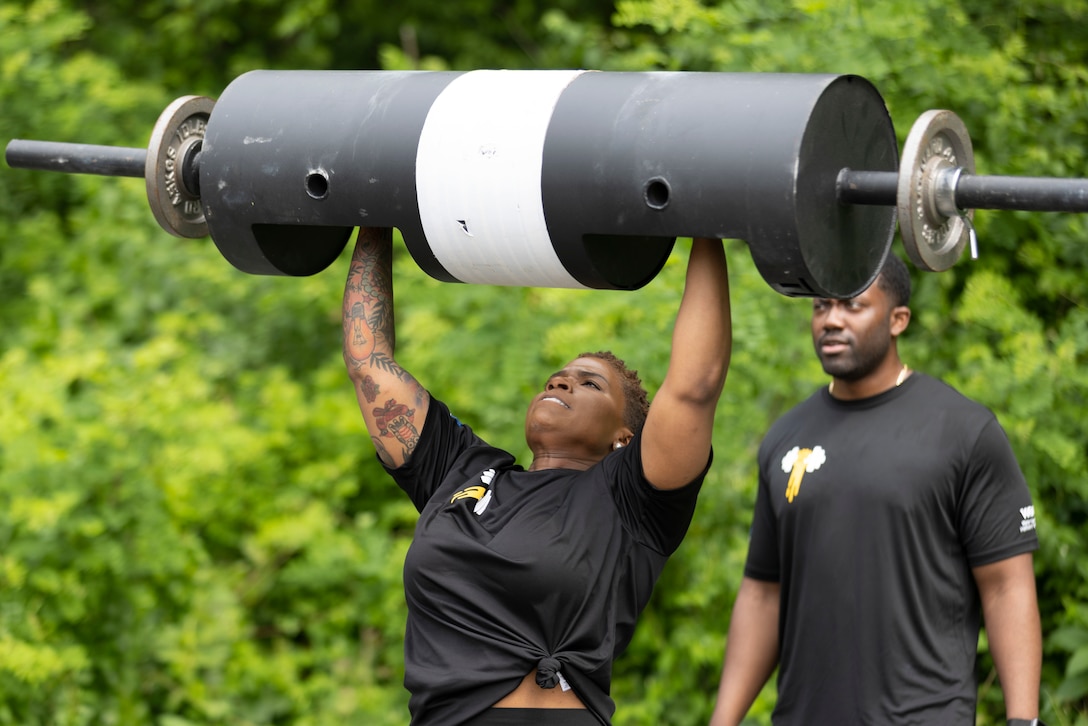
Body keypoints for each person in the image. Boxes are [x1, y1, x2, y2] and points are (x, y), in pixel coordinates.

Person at [342, 227, 731, 726]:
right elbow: (368, 361)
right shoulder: (461, 468)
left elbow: (694, 384)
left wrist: (705, 222)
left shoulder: (632, 499)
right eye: (557, 377)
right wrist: (372, 210)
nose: (563, 380)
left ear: (625, 437)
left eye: (589, 384)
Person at [709, 252, 1042, 726]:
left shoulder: (963, 431)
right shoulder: (786, 437)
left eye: (852, 306)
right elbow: (764, 592)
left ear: (897, 319)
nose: (831, 320)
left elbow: (1007, 585)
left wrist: (1024, 719)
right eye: (821, 306)